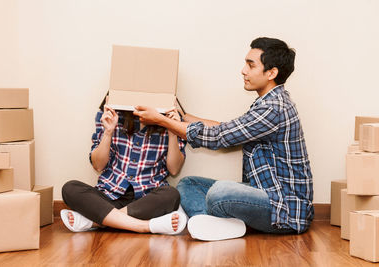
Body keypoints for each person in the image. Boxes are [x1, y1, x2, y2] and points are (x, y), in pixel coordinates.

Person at [134, 37, 314, 241]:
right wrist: (181, 116)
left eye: (250, 64)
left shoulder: (273, 108)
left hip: (284, 209)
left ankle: (217, 223)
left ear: (271, 73)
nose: (243, 70)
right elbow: (225, 128)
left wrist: (161, 121)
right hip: (263, 192)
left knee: (220, 192)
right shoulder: (269, 102)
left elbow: (218, 137)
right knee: (188, 184)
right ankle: (220, 226)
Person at [60, 94, 188, 235]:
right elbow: (98, 166)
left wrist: (172, 131)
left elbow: (174, 169)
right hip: (109, 196)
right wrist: (108, 132)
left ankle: (97, 222)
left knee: (171, 195)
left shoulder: (171, 119)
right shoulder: (110, 113)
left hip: (146, 200)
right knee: (70, 188)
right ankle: (145, 226)